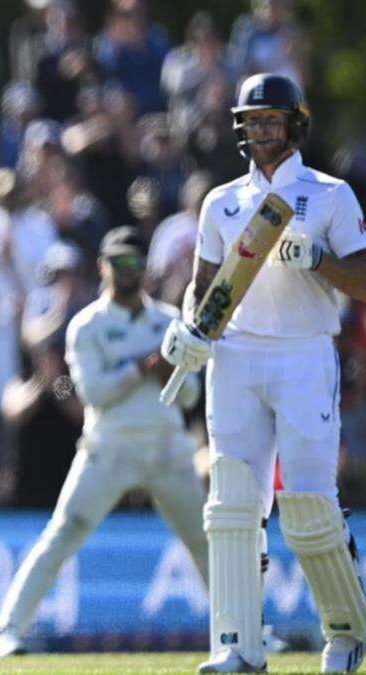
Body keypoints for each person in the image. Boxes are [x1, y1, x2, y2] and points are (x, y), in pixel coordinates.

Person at [160, 73, 366, 674]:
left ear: (295, 124)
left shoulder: (330, 195)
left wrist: (319, 260)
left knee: (308, 505)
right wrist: (186, 329)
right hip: (236, 359)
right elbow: (203, 292)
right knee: (231, 507)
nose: (262, 129)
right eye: (253, 121)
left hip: (304, 354)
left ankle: (347, 633)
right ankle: (237, 647)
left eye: (272, 119)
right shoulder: (220, 202)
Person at [0, 227, 208, 657]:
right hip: (109, 447)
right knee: (64, 531)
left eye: (135, 264)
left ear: (145, 269)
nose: (128, 272)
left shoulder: (169, 320)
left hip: (166, 446)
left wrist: (169, 373)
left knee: (204, 541)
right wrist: (144, 367)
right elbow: (93, 393)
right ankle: (7, 629)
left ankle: (246, 632)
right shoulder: (87, 325)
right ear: (103, 267)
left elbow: (191, 396)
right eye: (119, 263)